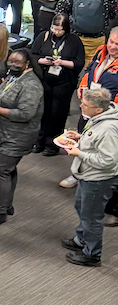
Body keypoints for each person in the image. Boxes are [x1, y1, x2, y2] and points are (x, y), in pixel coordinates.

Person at [0, 48, 43, 227]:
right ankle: (5, 204)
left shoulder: (31, 84)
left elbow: (26, 113)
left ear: (27, 64)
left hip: (17, 136)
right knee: (8, 169)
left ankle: (0, 213)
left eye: (17, 62)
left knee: (0, 169)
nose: (13, 64)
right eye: (11, 61)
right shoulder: (14, 76)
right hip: (4, 132)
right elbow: (3, 94)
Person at [61, 86, 118, 266]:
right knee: (81, 208)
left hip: (98, 179)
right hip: (87, 175)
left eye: (85, 105)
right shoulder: (98, 118)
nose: (80, 107)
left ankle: (92, 254)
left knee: (91, 217)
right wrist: (80, 138)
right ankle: (82, 240)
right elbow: (95, 142)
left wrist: (80, 153)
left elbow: (107, 160)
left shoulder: (108, 129)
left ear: (99, 109)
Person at [32, 13, 86, 152]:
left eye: (59, 30)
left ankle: (52, 144)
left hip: (64, 82)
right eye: (54, 28)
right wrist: (41, 61)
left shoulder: (74, 41)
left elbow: (79, 63)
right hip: (45, 79)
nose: (56, 32)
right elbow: (32, 54)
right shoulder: (44, 36)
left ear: (66, 29)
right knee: (42, 111)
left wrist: (62, 62)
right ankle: (39, 141)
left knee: (58, 114)